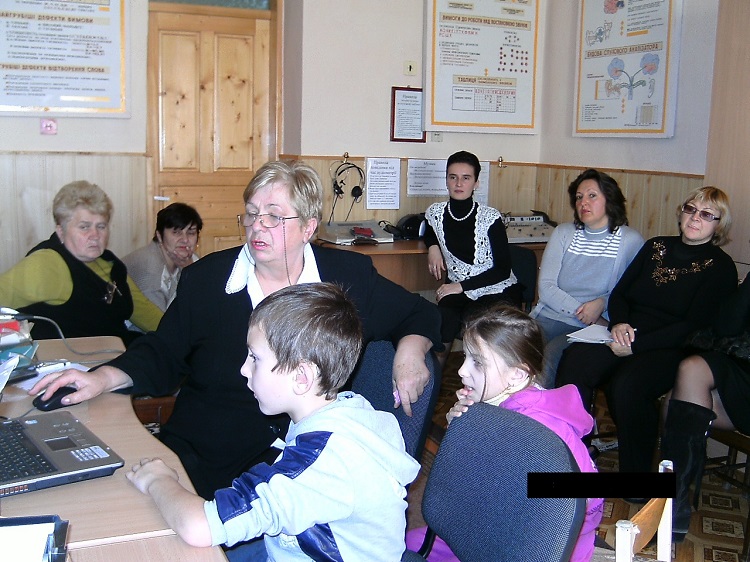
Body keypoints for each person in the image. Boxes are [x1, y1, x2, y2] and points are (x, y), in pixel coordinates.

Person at [31, 160, 441, 499]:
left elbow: (420, 314)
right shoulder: (208, 280)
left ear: (309, 227)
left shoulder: (347, 277)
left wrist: (410, 351)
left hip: (308, 458)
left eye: (274, 216)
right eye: (251, 213)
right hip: (210, 451)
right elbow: (164, 351)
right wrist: (101, 378)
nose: (257, 226)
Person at [127, 283, 420, 561]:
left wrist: (158, 479)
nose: (244, 369)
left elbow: (200, 527)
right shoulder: (350, 410)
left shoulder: (319, 464)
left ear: (301, 378)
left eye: (255, 358)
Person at [556, 186, 738, 474]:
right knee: (575, 362)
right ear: (681, 213)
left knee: (628, 386)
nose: (695, 218)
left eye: (706, 214)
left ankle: (637, 480)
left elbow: (694, 325)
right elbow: (620, 294)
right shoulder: (656, 246)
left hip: (673, 347)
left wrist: (635, 346)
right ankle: (575, 457)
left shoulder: (721, 267)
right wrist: (619, 323)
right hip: (625, 333)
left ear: (719, 224)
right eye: (690, 209)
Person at [405, 305, 603, 562]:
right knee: (411, 543)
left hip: (545, 543)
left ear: (517, 374)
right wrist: (463, 429)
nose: (462, 370)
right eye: (465, 356)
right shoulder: (506, 404)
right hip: (504, 518)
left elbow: (578, 505)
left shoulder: (534, 431)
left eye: (477, 362)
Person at [0, 180, 162, 347]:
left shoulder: (108, 262)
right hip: (75, 360)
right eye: (84, 227)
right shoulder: (48, 263)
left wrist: (177, 336)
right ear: (61, 231)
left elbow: (143, 311)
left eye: (101, 226)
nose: (95, 235)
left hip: (119, 351)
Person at [531, 169, 644, 388]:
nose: (583, 202)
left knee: (550, 358)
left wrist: (602, 303)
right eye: (579, 197)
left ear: (610, 199)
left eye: (592, 195)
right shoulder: (563, 233)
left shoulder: (630, 240)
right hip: (552, 316)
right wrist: (583, 311)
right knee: (514, 350)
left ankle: (537, 410)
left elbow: (629, 291)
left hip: (595, 326)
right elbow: (546, 287)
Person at [662, 271, 750, 540]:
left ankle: (671, 503)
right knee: (690, 372)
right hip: (743, 374)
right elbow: (726, 327)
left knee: (677, 401)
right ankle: (675, 501)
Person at [424, 151, 520, 364]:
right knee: (444, 319)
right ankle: (434, 379)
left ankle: (483, 378)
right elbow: (429, 230)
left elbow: (502, 269)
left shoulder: (490, 218)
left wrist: (459, 286)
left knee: (477, 326)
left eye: (466, 178)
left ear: (476, 183)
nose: (459, 183)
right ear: (446, 180)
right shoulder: (436, 212)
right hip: (458, 288)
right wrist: (433, 247)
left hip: (495, 288)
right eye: (453, 177)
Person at [123, 202, 203, 312]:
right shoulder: (151, 267)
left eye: (191, 233)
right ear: (159, 236)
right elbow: (156, 319)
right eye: (176, 232)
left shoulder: (190, 259)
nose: (185, 240)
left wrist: (190, 271)